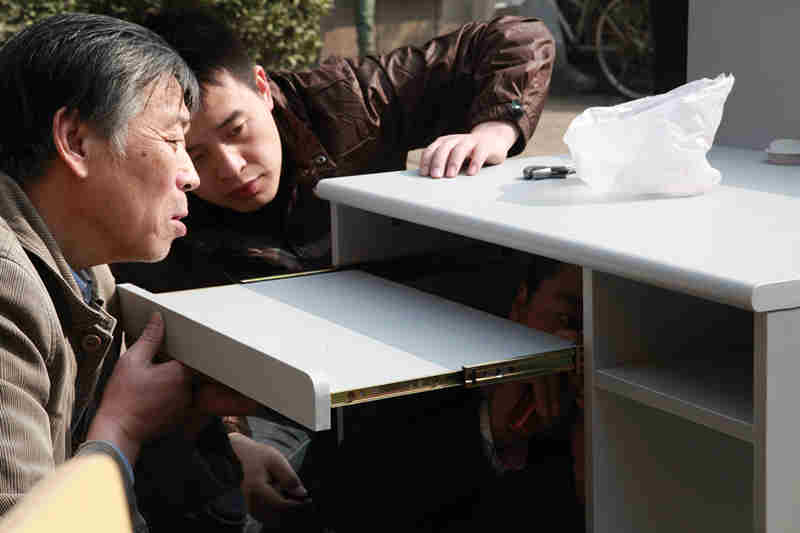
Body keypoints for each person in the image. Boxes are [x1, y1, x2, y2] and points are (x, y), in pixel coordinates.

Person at [110, 7, 556, 531]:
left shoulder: (350, 99)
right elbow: (168, 333)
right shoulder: (159, 194)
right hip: (264, 391)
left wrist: (496, 126)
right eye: (197, 154)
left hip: (406, 352)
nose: (230, 167)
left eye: (237, 129)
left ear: (262, 87)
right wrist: (233, 441)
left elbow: (515, 35)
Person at [0, 13, 301, 533]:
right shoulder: (8, 291)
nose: (192, 175)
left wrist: (197, 423)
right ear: (76, 140)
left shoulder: (87, 268)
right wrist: (121, 429)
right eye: (175, 140)